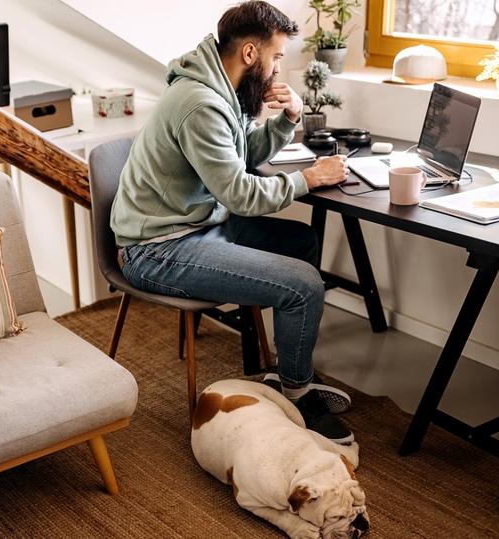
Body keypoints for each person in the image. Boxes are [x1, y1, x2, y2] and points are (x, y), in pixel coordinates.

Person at [110, 0, 353, 443]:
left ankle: (286, 368)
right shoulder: (201, 103)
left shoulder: (223, 88)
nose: (278, 69)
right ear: (249, 53)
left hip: (200, 224)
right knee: (302, 284)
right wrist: (308, 178)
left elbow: (240, 157)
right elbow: (240, 193)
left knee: (300, 243)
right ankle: (296, 394)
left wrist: (289, 119)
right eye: (276, 57)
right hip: (157, 249)